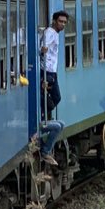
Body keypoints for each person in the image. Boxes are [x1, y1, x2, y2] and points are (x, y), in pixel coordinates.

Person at [35, 11, 68, 167]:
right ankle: (41, 123)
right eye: (60, 21)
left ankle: (44, 119)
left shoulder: (56, 33)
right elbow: (43, 48)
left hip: (52, 73)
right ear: (54, 21)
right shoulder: (49, 32)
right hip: (46, 73)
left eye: (64, 22)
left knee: (56, 98)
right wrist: (43, 50)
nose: (62, 24)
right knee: (51, 99)